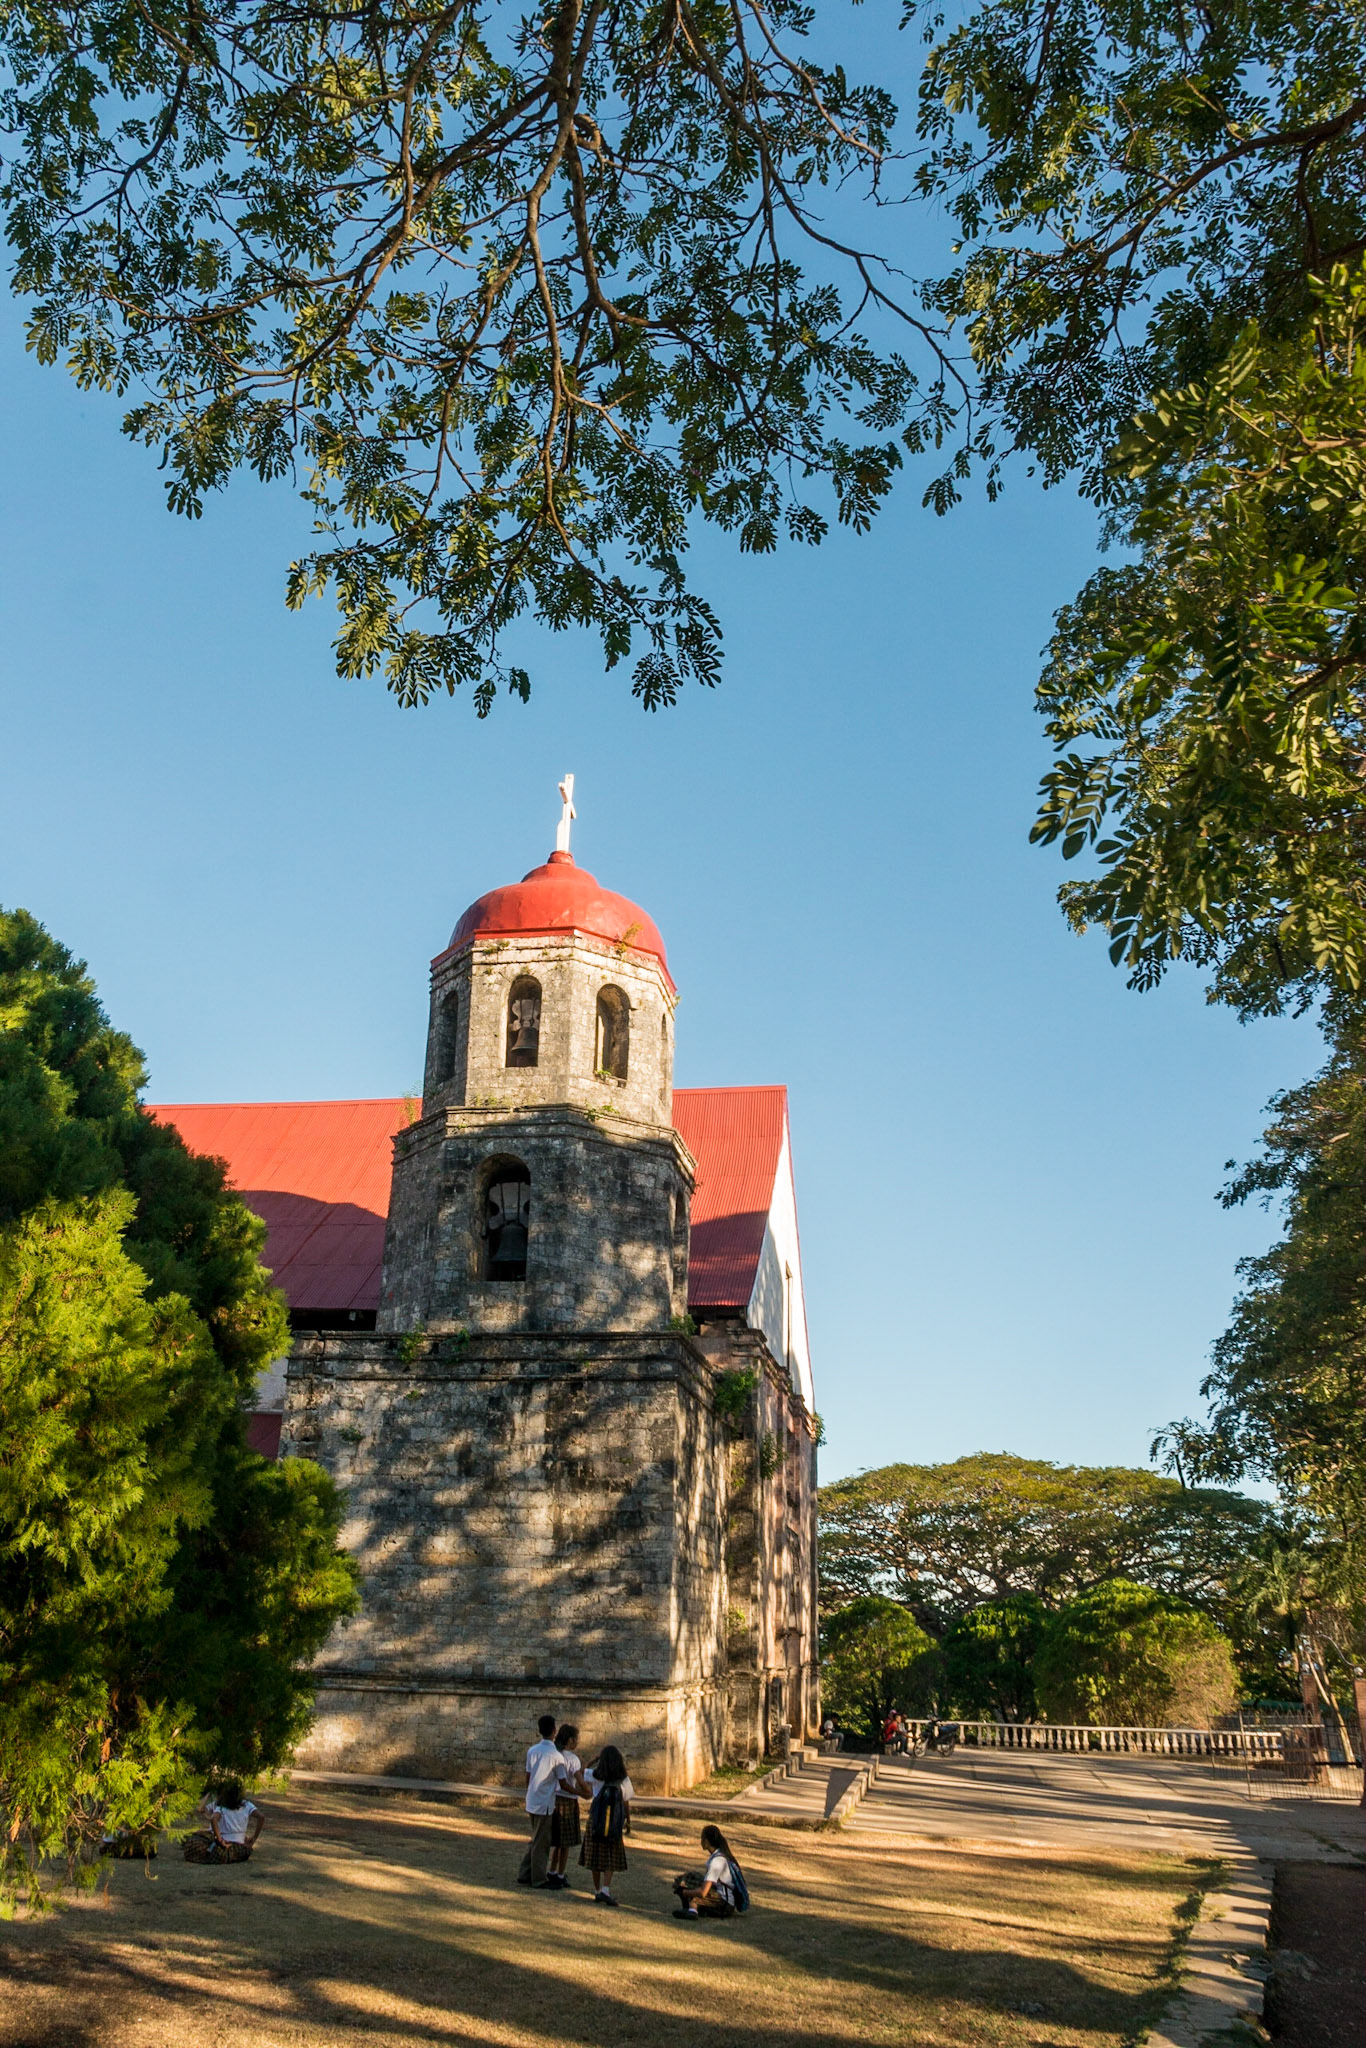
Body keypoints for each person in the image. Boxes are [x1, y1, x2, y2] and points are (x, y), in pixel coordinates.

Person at [517, 1712, 567, 1888]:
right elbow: (563, 1782)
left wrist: (530, 1793)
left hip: (532, 1798)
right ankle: (538, 1878)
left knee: (536, 1838)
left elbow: (528, 1776)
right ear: (554, 1731)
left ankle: (525, 1873)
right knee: (542, 1842)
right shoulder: (556, 1757)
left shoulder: (533, 1751)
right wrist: (580, 1792)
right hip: (545, 1802)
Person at [580, 1745, 633, 1907]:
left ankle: (597, 1890)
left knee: (595, 1855)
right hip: (614, 1822)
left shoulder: (596, 1776)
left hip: (596, 1821)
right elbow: (626, 1801)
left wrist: (594, 1759)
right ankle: (606, 1889)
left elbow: (581, 1771)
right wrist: (628, 1820)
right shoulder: (623, 1779)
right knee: (610, 1854)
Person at [673, 1825, 748, 1920]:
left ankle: (692, 1910)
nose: (700, 1841)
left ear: (707, 1842)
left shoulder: (717, 1861)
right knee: (692, 1878)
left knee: (694, 1892)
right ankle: (693, 1909)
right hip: (726, 1901)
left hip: (724, 1904)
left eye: (702, 1838)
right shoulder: (720, 1855)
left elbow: (703, 1892)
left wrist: (684, 1892)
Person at [182, 1781, 264, 1865]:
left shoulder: (221, 1806)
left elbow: (213, 1819)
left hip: (224, 1842)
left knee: (192, 1841)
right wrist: (254, 1838)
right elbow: (261, 1817)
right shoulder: (247, 1804)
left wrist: (220, 1840)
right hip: (240, 1845)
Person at [546, 1722, 583, 1889]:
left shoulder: (555, 1755)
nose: (577, 1743)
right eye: (576, 1739)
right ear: (570, 1740)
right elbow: (577, 1777)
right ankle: (560, 1873)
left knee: (556, 1841)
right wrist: (584, 1791)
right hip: (568, 1800)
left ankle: (552, 1871)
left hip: (554, 1799)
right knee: (565, 1843)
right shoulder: (572, 1759)